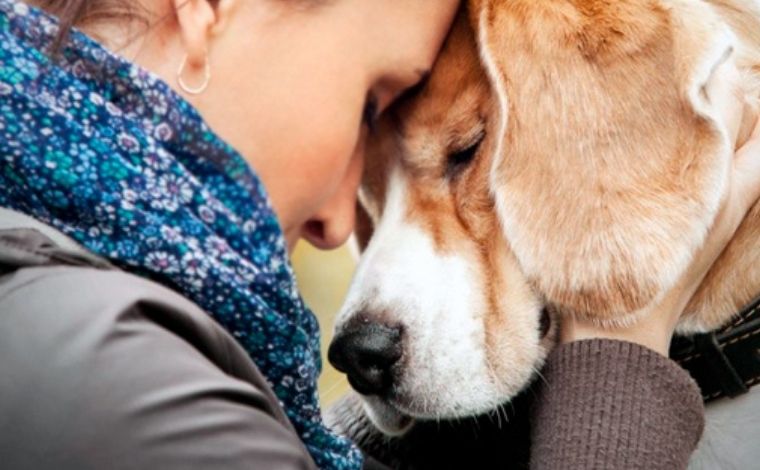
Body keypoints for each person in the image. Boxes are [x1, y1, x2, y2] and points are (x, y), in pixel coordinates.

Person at [1, 0, 759, 469]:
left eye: (462, 151)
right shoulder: (115, 383)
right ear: (203, 8)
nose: (340, 230)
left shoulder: (57, 296)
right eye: (370, 103)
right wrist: (616, 363)